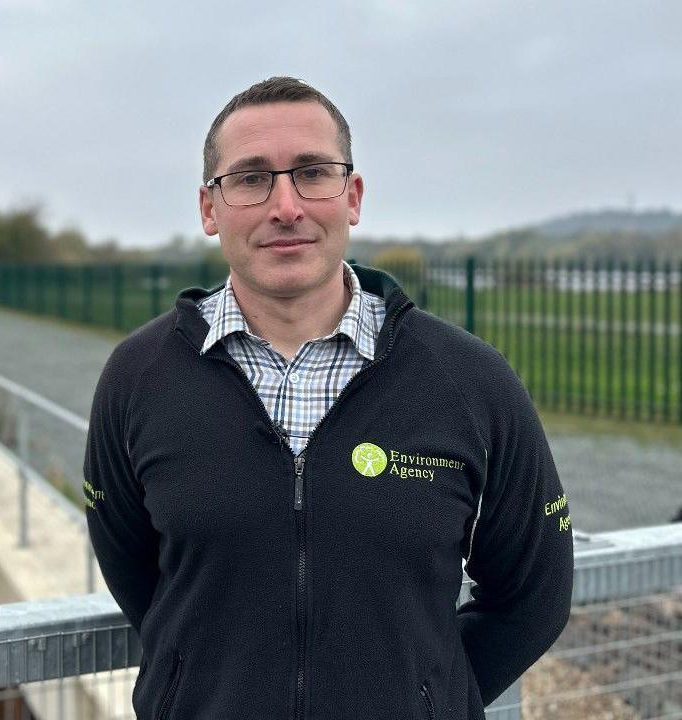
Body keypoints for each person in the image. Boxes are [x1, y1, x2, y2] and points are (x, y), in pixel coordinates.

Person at [84, 77, 573, 719]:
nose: (285, 206)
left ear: (353, 196)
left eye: (312, 173)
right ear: (209, 208)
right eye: (251, 178)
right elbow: (133, 570)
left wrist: (423, 698)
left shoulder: (469, 380)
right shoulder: (139, 377)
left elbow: (534, 593)